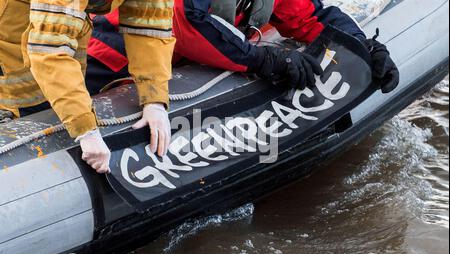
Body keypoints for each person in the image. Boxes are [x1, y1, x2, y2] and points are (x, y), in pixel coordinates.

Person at [86, 0, 399, 98]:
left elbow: (310, 17)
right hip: (110, 60)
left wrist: (365, 47)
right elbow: (187, 21)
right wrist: (265, 59)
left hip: (176, 68)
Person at [0, 0, 175, 173]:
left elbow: (149, 23)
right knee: (26, 97)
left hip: (64, 22)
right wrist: (85, 129)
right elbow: (49, 51)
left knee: (60, 99)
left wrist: (154, 98)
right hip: (13, 30)